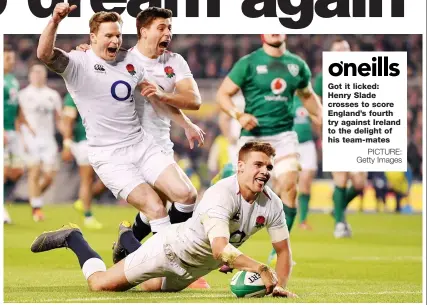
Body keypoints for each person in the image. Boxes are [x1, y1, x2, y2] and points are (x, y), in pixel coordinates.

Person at [31, 141, 297, 298]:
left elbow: (283, 251)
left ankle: (127, 239)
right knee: (100, 285)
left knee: (148, 288)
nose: (265, 171)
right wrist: (260, 268)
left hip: (193, 270)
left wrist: (278, 287)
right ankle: (74, 238)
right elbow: (220, 249)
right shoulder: (221, 194)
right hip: (167, 250)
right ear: (240, 166)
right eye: (258, 165)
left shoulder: (271, 203)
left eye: (269, 167)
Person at [36, 4, 201, 237]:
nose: (115, 40)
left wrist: (187, 124)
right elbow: (44, 54)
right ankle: (163, 264)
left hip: (142, 144)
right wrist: (55, 21)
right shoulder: (78, 63)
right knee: (156, 209)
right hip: (109, 154)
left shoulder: (130, 63)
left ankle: (147, 255)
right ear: (93, 38)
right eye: (108, 36)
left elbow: (155, 99)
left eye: (118, 35)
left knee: (187, 195)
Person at [216, 34, 322, 265]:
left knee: (290, 187)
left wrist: (321, 115)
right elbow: (222, 94)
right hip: (253, 136)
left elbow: (307, 95)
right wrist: (239, 114)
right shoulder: (248, 63)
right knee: (239, 194)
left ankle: (279, 250)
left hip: (284, 137)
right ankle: (227, 247)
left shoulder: (297, 65)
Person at [313, 38, 367, 238]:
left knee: (360, 183)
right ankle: (339, 225)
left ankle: (337, 207)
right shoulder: (324, 77)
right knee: (341, 178)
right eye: (338, 51)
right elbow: (317, 106)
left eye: (345, 49)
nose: (343, 53)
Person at [18, 63, 62, 222]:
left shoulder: (53, 95)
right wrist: (21, 139)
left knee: (50, 176)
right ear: (30, 76)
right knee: (34, 172)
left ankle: (34, 198)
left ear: (45, 75)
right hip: (31, 139)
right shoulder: (23, 94)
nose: (37, 75)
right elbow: (19, 119)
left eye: (40, 72)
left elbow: (59, 119)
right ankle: (36, 208)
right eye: (34, 73)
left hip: (48, 139)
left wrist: (66, 138)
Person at [61, 92, 105, 229]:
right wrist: (67, 145)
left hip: (101, 141)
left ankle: (83, 200)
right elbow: (67, 122)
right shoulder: (73, 95)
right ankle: (88, 216)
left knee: (109, 180)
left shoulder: (97, 91)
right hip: (83, 142)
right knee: (87, 178)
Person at [3, 44, 31, 224]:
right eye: (7, 58)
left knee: (18, 170)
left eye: (12, 58)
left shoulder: (12, 80)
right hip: (3, 130)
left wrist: (22, 131)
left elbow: (16, 108)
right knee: (3, 171)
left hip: (13, 132)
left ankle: (4, 200)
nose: (11, 62)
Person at [292, 95, 318, 230]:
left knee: (306, 181)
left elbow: (318, 120)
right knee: (284, 184)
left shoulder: (309, 99)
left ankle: (303, 220)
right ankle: (277, 218)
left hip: (307, 145)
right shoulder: (286, 98)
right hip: (290, 145)